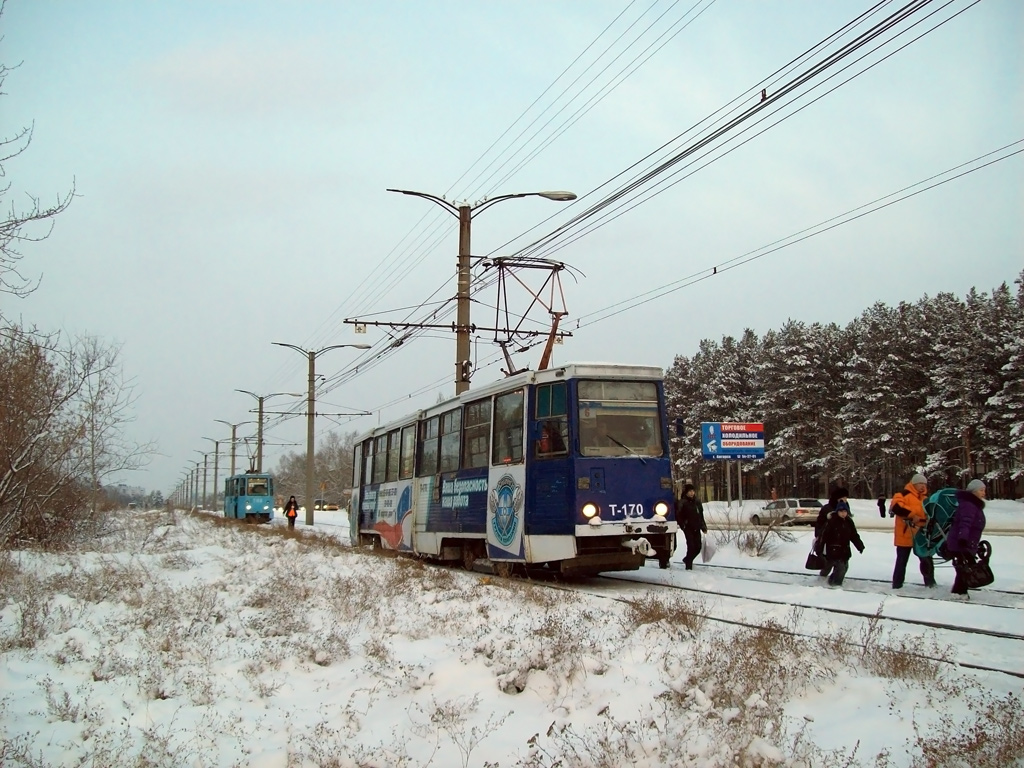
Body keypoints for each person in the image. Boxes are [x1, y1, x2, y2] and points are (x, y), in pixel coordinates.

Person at [890, 473, 935, 589]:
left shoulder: (926, 499)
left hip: (921, 535)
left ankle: (930, 584)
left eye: (924, 484)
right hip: (906, 534)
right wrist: (911, 515)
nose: (923, 486)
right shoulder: (902, 495)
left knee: (927, 560)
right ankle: (897, 585)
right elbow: (896, 508)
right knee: (902, 562)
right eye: (920, 483)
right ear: (913, 484)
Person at [946, 479, 987, 599]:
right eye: (981, 490)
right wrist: (963, 539)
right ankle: (959, 593)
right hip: (962, 543)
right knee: (965, 567)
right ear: (973, 492)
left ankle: (959, 592)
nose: (984, 493)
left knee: (964, 567)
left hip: (967, 542)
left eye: (984, 490)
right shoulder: (969, 505)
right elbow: (965, 523)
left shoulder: (972, 504)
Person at [816, 500, 865, 586]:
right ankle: (835, 585)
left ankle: (831, 581)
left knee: (844, 567)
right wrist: (819, 548)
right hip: (833, 549)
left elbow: (853, 535)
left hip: (845, 549)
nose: (843, 513)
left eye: (845, 511)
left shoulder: (848, 522)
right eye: (841, 511)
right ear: (837, 511)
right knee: (840, 568)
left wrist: (859, 546)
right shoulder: (831, 522)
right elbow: (823, 536)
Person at [813, 487, 848, 577]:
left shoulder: (846, 507)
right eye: (842, 498)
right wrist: (819, 537)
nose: (844, 500)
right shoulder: (827, 508)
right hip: (829, 541)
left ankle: (835, 580)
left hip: (842, 541)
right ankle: (827, 578)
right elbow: (819, 523)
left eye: (845, 498)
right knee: (829, 562)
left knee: (842, 563)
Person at [676, 483, 707, 570]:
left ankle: (687, 559)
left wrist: (703, 526)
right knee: (691, 546)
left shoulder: (697, 502)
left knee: (698, 547)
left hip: (696, 527)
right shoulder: (682, 502)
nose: (692, 493)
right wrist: (683, 525)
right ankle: (688, 566)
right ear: (686, 492)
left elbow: (700, 515)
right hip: (688, 527)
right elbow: (678, 515)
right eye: (690, 491)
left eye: (693, 491)